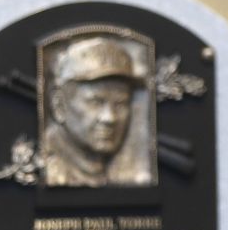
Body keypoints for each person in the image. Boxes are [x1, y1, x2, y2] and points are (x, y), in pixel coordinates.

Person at [42, 33, 153, 187]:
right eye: (96, 102)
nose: (110, 118)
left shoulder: (128, 173)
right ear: (59, 105)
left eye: (121, 104)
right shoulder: (45, 168)